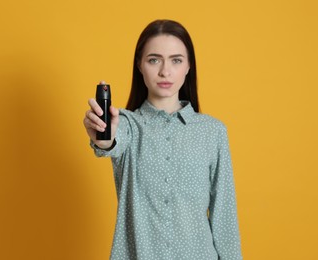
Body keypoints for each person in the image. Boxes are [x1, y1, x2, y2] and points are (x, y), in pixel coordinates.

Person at [83, 19, 242, 260]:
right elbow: (111, 142)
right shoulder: (127, 125)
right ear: (139, 64)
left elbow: (224, 216)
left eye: (176, 60)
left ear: (188, 66)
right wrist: (104, 138)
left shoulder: (213, 132)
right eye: (154, 60)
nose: (165, 71)